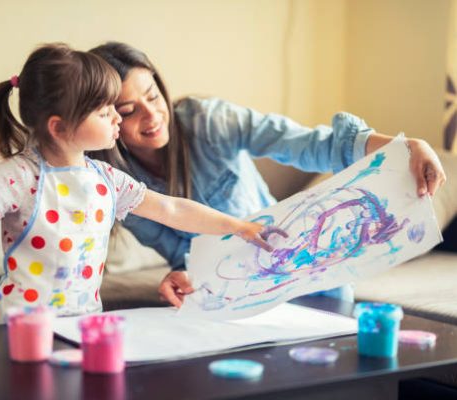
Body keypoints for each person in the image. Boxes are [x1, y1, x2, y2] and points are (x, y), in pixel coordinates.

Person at [88, 41, 447, 308]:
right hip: (220, 290)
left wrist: (402, 147)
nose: (151, 116)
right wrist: (189, 278)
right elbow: (182, 253)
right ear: (107, 117)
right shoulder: (117, 182)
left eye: (154, 97)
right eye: (129, 110)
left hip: (299, 269)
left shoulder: (208, 122)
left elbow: (308, 144)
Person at [0, 43, 278, 324]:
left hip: (85, 322)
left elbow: (171, 208)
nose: (117, 117)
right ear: (59, 127)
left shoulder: (107, 179)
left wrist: (238, 226)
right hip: (20, 326)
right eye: (105, 110)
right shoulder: (19, 176)